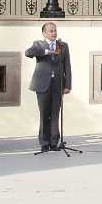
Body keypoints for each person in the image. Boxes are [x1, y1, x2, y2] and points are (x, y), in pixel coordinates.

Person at [25, 22, 73, 152]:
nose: (54, 33)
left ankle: (54, 142)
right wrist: (48, 51)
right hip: (42, 85)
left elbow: (67, 66)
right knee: (44, 114)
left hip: (58, 84)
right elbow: (28, 53)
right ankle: (44, 143)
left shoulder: (63, 46)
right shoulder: (38, 45)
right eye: (51, 31)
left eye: (55, 30)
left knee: (55, 114)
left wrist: (68, 84)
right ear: (44, 33)